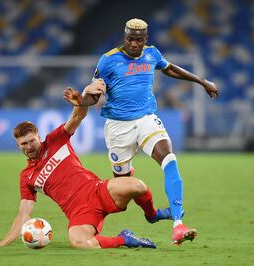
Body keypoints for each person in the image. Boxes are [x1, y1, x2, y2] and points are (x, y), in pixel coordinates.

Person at [86, 18, 219, 245]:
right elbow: (94, 94)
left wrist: (201, 81)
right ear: (124, 37)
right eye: (130, 39)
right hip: (118, 126)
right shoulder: (108, 60)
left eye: (139, 40)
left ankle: (178, 224)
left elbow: (170, 69)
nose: (135, 44)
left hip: (147, 118)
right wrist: (83, 99)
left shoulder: (152, 54)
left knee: (169, 158)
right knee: (123, 191)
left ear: (145, 39)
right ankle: (153, 215)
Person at [0, 80, 165, 249]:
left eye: (31, 141)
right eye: (24, 144)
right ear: (18, 146)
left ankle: (152, 214)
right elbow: (23, 214)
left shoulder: (55, 140)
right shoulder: (26, 177)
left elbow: (77, 116)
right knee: (79, 242)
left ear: (38, 136)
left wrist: (80, 102)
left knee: (137, 185)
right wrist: (3, 243)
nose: (29, 147)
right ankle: (124, 239)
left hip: (97, 191)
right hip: (79, 213)